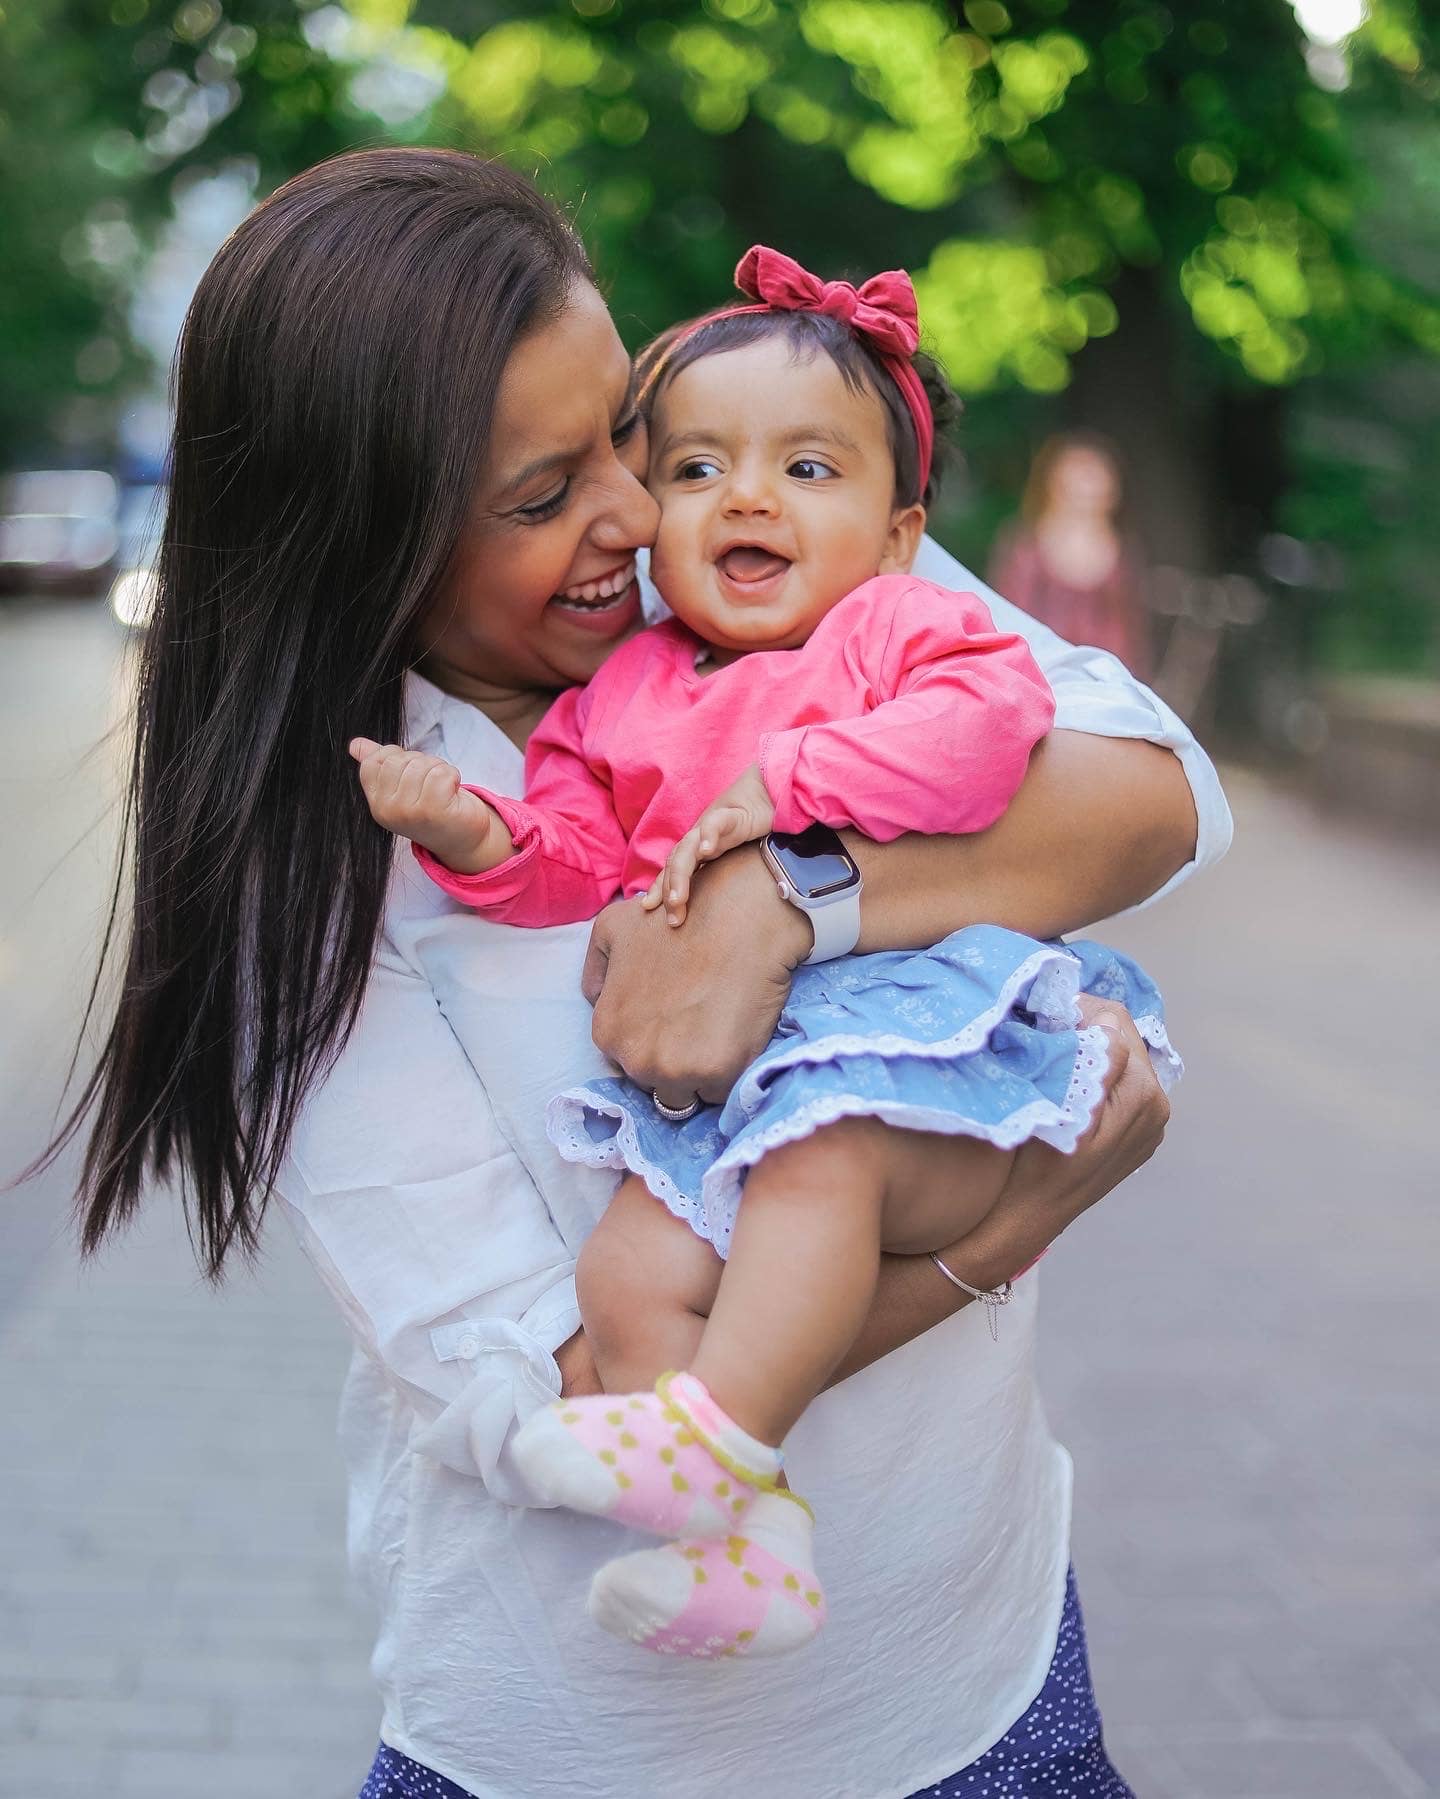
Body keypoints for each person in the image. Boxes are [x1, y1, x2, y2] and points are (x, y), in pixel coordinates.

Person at [50, 149, 1230, 1796]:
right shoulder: (315, 880)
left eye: (623, 424)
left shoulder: (783, 556)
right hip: (587, 1735)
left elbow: (1157, 791)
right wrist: (999, 1233)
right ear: (370, 545)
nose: (635, 510)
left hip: (975, 1655)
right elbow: (547, 1390)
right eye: (541, 496)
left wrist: (792, 900)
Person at [349, 247, 1181, 1664]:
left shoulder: (896, 625)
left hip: (898, 1045)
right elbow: (577, 855)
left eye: (808, 469)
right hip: (728, 1103)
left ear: (901, 530)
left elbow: (994, 731)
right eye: (695, 467)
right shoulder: (625, 687)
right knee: (626, 1278)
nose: (748, 495)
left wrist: (792, 786)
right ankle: (745, 1533)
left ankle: (713, 1435)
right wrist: (478, 839)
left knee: (823, 1163)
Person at [989, 432, 1153, 680]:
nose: (1086, 483)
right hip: (1037, 677)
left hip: (1107, 684)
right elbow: (1008, 620)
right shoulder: (1026, 547)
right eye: (1077, 472)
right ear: (1052, 482)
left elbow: (1131, 634)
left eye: (1094, 472)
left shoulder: (1123, 552)